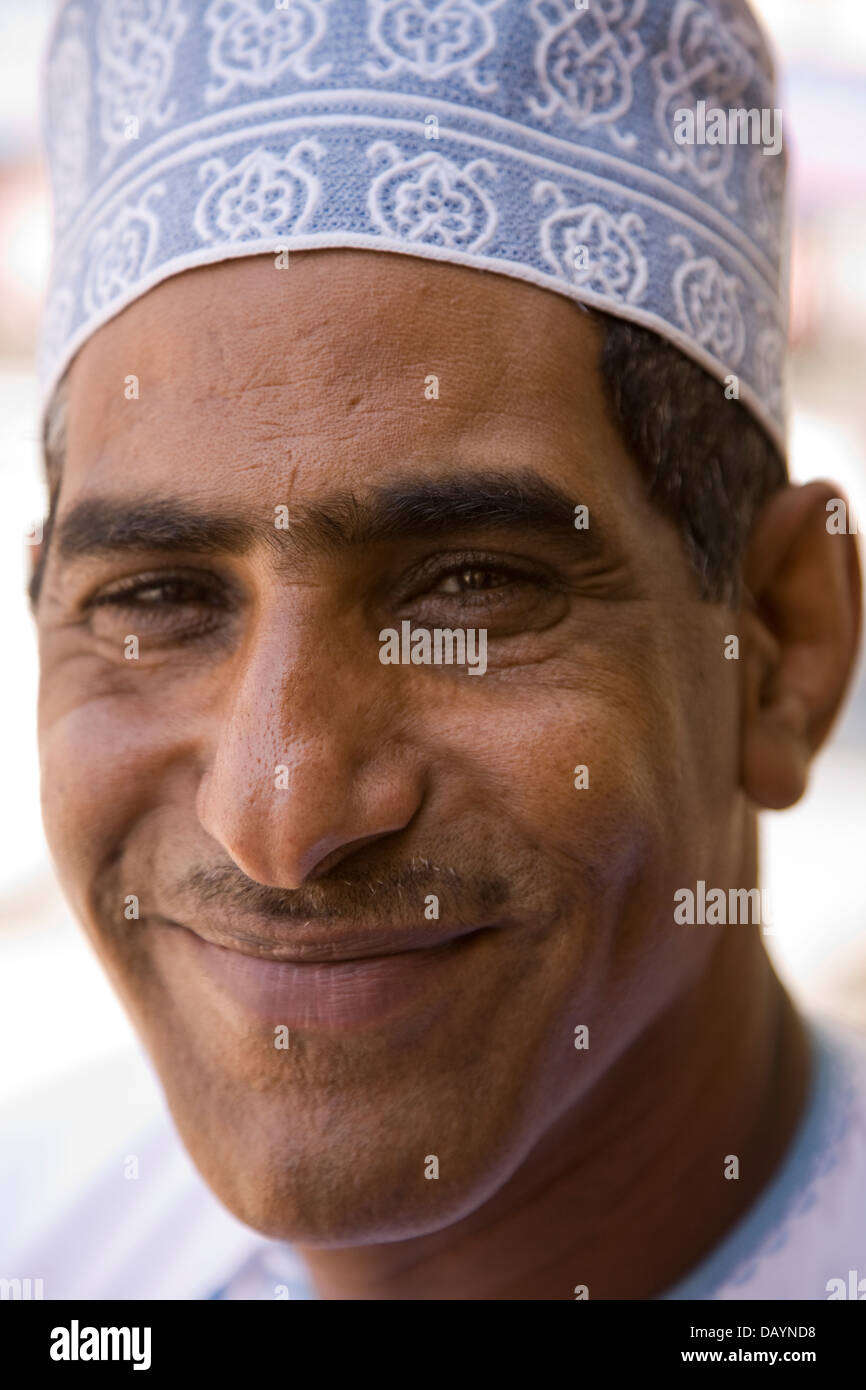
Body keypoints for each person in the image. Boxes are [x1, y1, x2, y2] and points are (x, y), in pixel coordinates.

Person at [3, 0, 864, 1301]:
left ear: (784, 642)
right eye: (161, 596)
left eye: (468, 589)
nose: (276, 819)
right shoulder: (41, 1227)